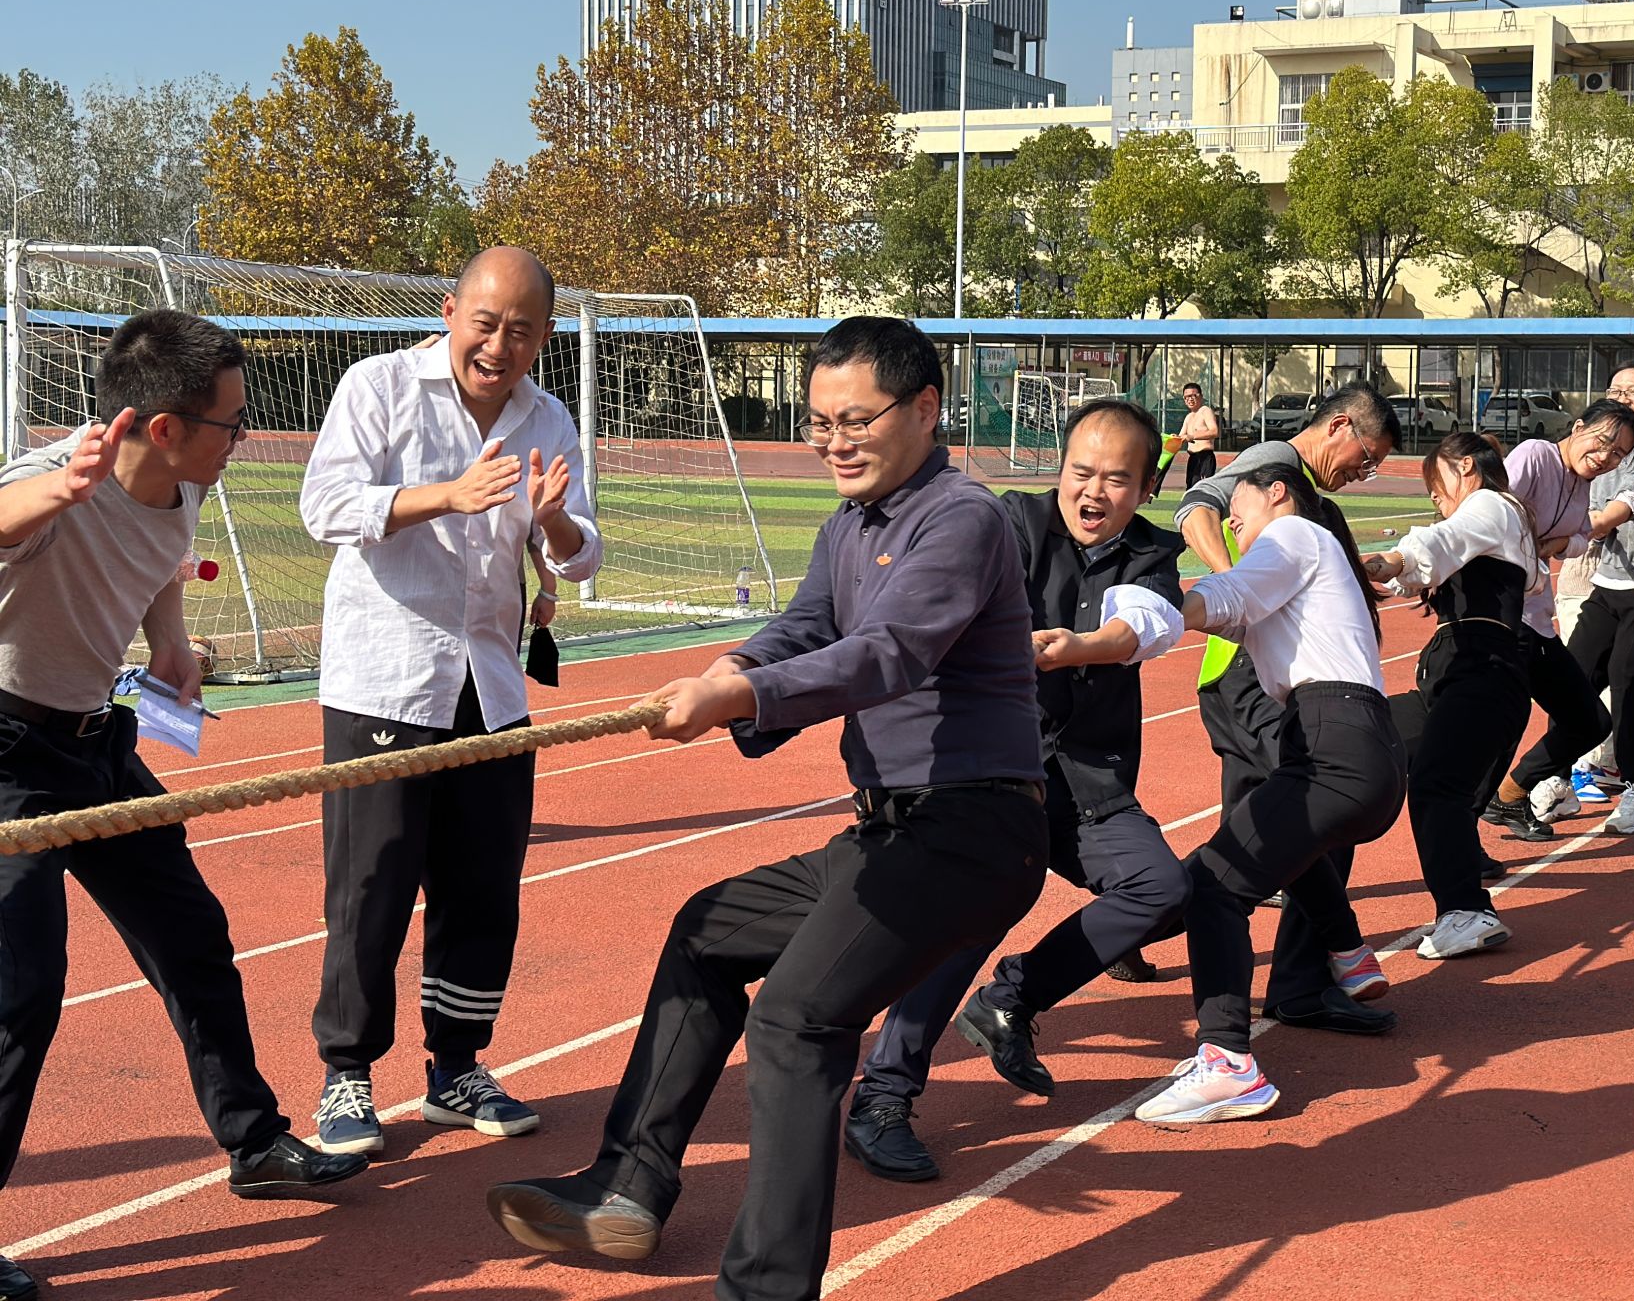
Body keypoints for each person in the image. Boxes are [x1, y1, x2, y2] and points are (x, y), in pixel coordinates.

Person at [484, 317, 1049, 1301]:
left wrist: (737, 697)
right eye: (818, 423)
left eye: (855, 420)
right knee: (707, 931)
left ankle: (766, 1289)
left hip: (973, 830)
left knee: (796, 1021)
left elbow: (887, 654)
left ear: (925, 409)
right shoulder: (849, 526)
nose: (834, 442)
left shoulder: (962, 518)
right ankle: (627, 1187)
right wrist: (730, 667)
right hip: (891, 831)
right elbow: (806, 626)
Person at [0, 314, 368, 1299]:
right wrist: (54, 492)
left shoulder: (185, 483)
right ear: (162, 427)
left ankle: (253, 1143)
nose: (242, 438)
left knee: (192, 936)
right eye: (231, 423)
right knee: (19, 990)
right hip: (9, 757)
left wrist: (166, 639)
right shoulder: (55, 483)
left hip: (97, 745)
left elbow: (160, 558)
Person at [299, 247, 603, 1155]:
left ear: (544, 337)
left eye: (522, 331)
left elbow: (581, 556)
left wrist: (552, 520)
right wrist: (447, 496)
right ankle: (347, 1074)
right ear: (449, 312)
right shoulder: (380, 385)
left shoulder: (548, 416)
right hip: (385, 680)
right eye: (486, 323)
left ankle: (457, 1066)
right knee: (372, 886)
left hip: (491, 688)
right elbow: (324, 506)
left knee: (483, 887)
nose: (499, 346)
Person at [842, 399, 1187, 1182]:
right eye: (1081, 472)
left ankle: (1014, 998)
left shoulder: (1151, 554)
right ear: (1059, 469)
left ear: (1145, 489)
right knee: (976, 904)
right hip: (992, 771)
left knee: (1162, 887)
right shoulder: (1006, 523)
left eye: (1117, 479)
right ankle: (882, 1096)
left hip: (1087, 781)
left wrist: (1078, 648)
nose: (1093, 491)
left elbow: (1144, 625)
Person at [1127, 462, 1407, 1125]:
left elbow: (1225, 596)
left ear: (1278, 491)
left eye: (1239, 500)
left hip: (1334, 743)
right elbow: (1231, 615)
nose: (1230, 516)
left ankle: (1228, 1062)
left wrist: (1144, 614)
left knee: (1213, 886)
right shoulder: (1308, 564)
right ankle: (1349, 954)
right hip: (1342, 743)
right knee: (1261, 852)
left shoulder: (1294, 536)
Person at [1175, 386, 1403, 1035]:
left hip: (1248, 682)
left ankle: (1135, 914)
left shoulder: (1306, 500)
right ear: (1339, 426)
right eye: (1367, 456)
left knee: (1250, 842)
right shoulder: (1275, 463)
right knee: (1317, 815)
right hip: (1252, 681)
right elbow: (1196, 508)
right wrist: (1243, 588)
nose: (1365, 471)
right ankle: (1309, 977)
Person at [1365, 434, 1539, 958]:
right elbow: (1434, 561)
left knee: (1437, 787)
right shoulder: (1499, 527)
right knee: (1357, 739)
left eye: (1435, 484)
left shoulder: (1492, 505)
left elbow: (1443, 541)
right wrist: (1388, 570)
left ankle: (1466, 910)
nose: (1435, 498)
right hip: (1451, 680)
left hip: (1479, 674)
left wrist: (1395, 558)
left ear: (1465, 466)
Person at [1519, 360, 1634, 834]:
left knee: (1631, 679)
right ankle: (1557, 780)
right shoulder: (1602, 453)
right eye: (1615, 391)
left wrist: (1582, 530)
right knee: (1573, 678)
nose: (1623, 399)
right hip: (1611, 583)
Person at [1476, 402, 1634, 842]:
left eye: (1619, 453)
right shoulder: (1536, 455)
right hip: (1499, 614)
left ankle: (1509, 794)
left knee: (1590, 720)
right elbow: (1488, 512)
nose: (1606, 457)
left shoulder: (1583, 482)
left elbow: (1582, 534)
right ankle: (1463, 838)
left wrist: (1560, 543)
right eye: (1603, 442)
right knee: (1500, 724)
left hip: (1535, 617)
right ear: (1578, 426)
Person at [1178, 382, 1219, 489]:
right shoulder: (1188, 417)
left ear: (1200, 396)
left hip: (1205, 457)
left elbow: (1214, 432)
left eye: (1193, 396)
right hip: (1193, 459)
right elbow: (1180, 437)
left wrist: (1192, 436)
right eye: (1186, 397)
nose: (1190, 399)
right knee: (1190, 489)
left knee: (1202, 489)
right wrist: (1172, 439)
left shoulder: (1205, 411)